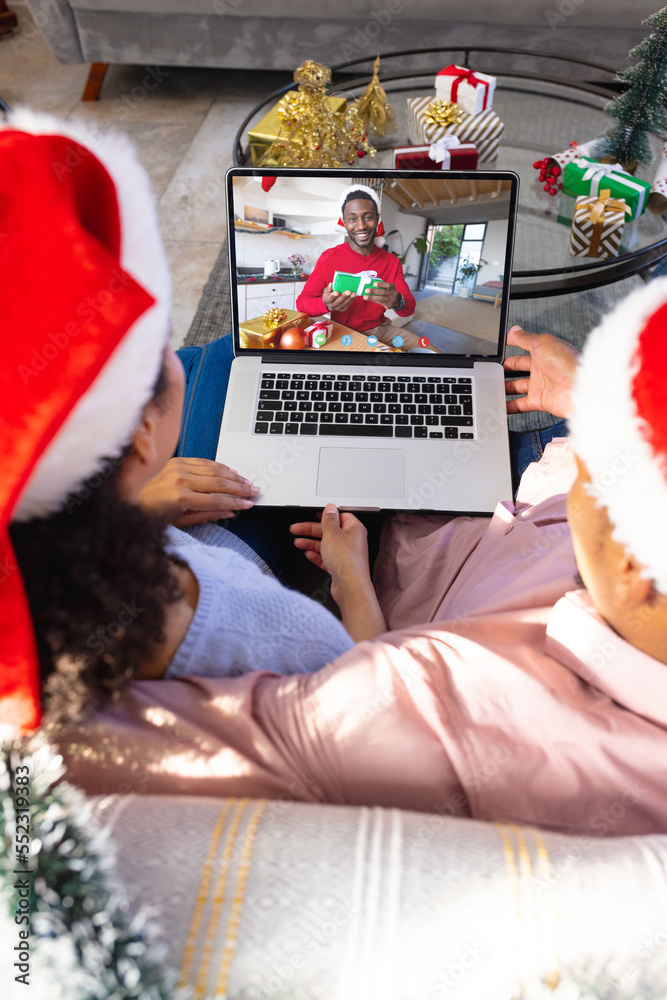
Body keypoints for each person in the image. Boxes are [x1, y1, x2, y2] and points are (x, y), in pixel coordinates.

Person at [0, 111, 374, 736]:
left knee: (243, 353)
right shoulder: (278, 631)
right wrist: (353, 581)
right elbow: (373, 703)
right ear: (141, 431)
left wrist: (141, 508)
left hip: (170, 524)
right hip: (235, 554)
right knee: (234, 354)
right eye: (157, 351)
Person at [295, 184, 424, 352]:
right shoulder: (329, 257)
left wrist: (398, 301)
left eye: (368, 217)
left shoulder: (391, 261)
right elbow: (302, 303)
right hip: (341, 331)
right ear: (344, 222)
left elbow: (409, 309)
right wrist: (326, 304)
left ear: (377, 219)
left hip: (381, 330)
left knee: (431, 353)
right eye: (353, 219)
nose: (361, 226)